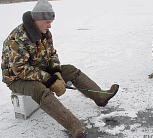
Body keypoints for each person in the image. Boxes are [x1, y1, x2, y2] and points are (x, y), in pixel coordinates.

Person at [1, 0, 119, 138]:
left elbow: (52, 54)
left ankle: (100, 97)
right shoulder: (17, 38)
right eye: (47, 22)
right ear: (37, 19)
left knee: (70, 70)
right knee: (39, 89)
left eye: (51, 22)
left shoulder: (45, 33)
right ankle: (74, 127)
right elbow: (20, 69)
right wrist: (50, 80)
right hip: (17, 79)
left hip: (40, 71)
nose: (50, 26)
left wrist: (56, 71)